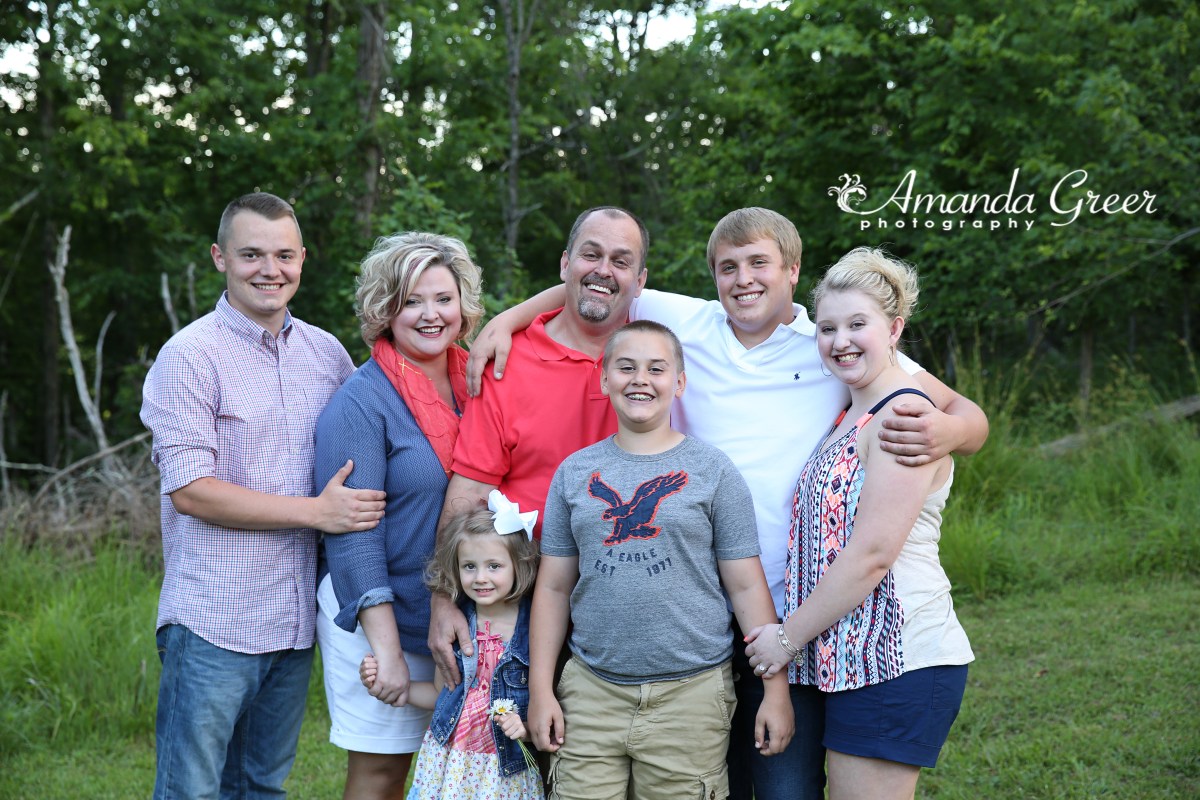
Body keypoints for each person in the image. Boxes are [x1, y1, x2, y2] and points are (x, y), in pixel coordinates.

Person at [464, 207, 989, 799]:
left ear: (793, 270)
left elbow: (961, 413)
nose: (744, 279)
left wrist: (952, 431)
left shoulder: (831, 343)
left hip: (796, 616)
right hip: (699, 614)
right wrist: (507, 320)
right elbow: (600, 282)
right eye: (728, 267)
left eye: (759, 263)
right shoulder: (687, 322)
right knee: (715, 779)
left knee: (785, 784)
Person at [140, 192, 387, 799]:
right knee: (191, 790)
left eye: (283, 255)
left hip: (293, 623)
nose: (269, 269)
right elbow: (191, 491)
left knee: (261, 787)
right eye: (251, 254)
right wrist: (317, 514)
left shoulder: (327, 355)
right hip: (213, 621)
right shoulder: (189, 356)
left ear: (302, 259)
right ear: (220, 257)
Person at [530, 320, 795, 799]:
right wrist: (540, 690)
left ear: (680, 382)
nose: (640, 379)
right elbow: (553, 587)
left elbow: (746, 586)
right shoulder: (575, 473)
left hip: (690, 696)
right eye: (626, 367)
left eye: (656, 368)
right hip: (591, 691)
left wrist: (776, 692)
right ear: (603, 378)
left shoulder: (713, 471)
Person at [744, 247, 974, 800]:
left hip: (897, 659)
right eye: (827, 328)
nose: (840, 340)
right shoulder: (851, 411)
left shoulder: (903, 416)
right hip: (849, 660)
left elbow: (872, 554)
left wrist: (785, 639)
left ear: (894, 329)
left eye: (856, 325)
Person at [427, 206, 651, 689]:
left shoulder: (658, 353)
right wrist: (443, 600)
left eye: (620, 261)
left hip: (628, 593)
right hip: (521, 595)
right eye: (590, 255)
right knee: (508, 734)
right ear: (565, 263)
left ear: (641, 280)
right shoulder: (508, 360)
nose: (603, 270)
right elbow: (470, 490)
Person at [313, 232, 484, 799]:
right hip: (380, 614)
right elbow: (353, 537)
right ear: (385, 309)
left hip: (464, 612)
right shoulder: (362, 401)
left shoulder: (480, 384)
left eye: (443, 298)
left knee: (464, 768)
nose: (431, 314)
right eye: (412, 301)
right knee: (383, 772)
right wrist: (385, 651)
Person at [362, 496, 544, 800]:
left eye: (494, 566)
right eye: (469, 566)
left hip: (503, 772)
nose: (481, 578)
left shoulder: (535, 631)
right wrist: (388, 682)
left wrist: (523, 727)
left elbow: (550, 705)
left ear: (519, 565)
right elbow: (441, 694)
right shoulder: (456, 630)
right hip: (451, 767)